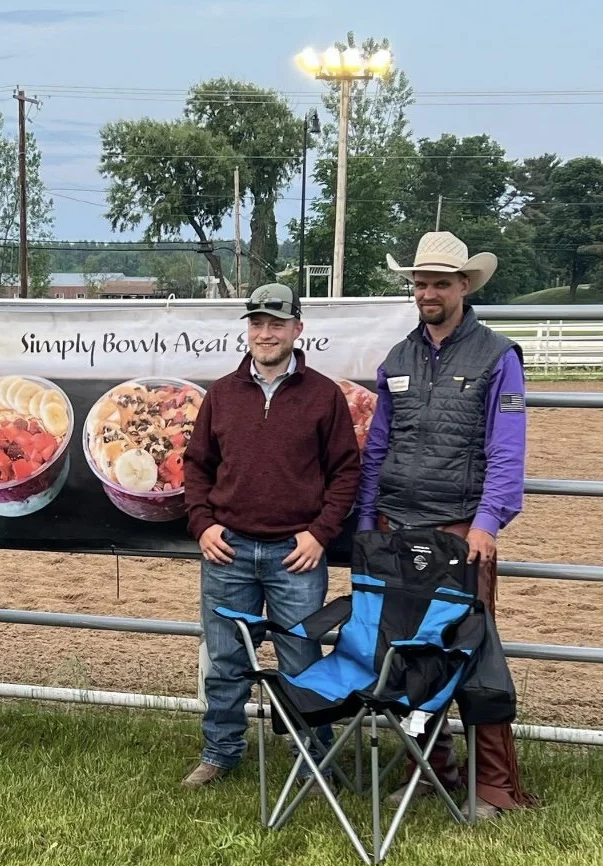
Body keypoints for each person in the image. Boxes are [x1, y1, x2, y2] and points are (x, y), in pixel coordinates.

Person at [359, 230, 531, 820]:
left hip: (461, 529)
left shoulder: (497, 356)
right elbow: (378, 445)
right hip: (397, 523)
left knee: (474, 650)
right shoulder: (398, 359)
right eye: (419, 283)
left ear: (464, 286)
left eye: (439, 283)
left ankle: (496, 786)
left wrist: (488, 522)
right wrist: (366, 521)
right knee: (410, 653)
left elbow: (507, 449)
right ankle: (431, 766)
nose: (427, 292)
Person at [182, 283, 362, 788]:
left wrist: (321, 534)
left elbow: (347, 471)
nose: (265, 333)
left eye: (276, 324)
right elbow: (196, 467)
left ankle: (313, 757)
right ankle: (221, 751)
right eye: (257, 323)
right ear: (248, 329)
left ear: (297, 330)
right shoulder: (221, 393)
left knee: (301, 659)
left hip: (295, 554)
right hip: (228, 549)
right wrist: (203, 523)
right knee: (224, 658)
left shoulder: (325, 395)